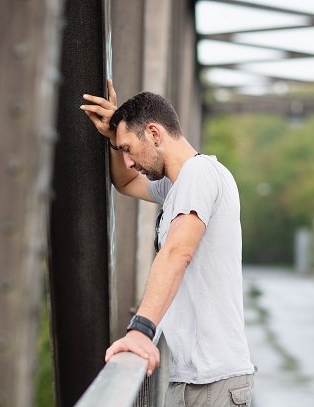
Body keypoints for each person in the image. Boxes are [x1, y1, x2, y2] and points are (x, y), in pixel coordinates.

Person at [80, 80, 254, 406]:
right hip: (192, 377)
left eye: (129, 149)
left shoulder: (200, 174)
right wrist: (113, 140)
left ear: (155, 134)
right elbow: (126, 181)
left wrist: (139, 331)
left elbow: (178, 251)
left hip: (213, 382)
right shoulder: (176, 186)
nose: (128, 160)